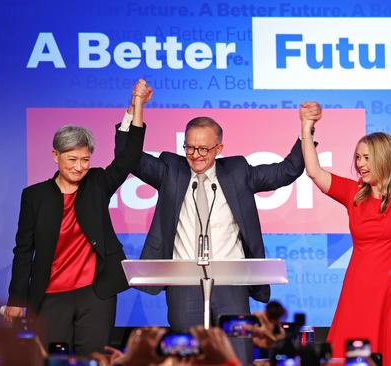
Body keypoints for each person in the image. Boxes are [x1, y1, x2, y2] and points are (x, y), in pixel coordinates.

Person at [115, 99, 314, 364]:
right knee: (186, 358)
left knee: (236, 356)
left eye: (203, 149)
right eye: (189, 147)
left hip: (230, 282)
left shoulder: (238, 172)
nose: (195, 155)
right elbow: (128, 158)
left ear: (219, 148)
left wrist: (306, 128)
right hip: (183, 283)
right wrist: (134, 110)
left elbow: (287, 171)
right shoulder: (170, 170)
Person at [3, 79, 149, 355]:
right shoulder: (34, 196)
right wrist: (16, 299)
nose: (79, 167)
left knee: (91, 359)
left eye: (85, 159)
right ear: (55, 156)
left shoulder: (97, 183)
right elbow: (23, 251)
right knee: (54, 360)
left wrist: (136, 106)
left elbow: (129, 157)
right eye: (72, 159)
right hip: (50, 296)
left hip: (96, 294)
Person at [300, 83, 391, 366]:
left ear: (384, 158)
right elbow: (313, 171)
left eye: (366, 158)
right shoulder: (353, 193)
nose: (360, 164)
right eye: (358, 158)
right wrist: (306, 126)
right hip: (360, 292)